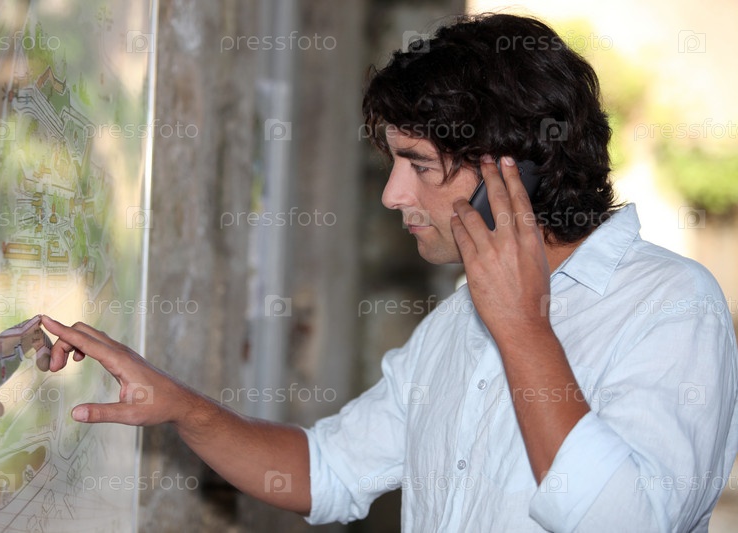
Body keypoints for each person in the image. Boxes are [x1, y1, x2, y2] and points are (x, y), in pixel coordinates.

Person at [41, 13, 738, 532]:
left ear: (515, 173)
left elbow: (628, 521)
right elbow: (327, 471)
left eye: (420, 165)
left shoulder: (673, 306)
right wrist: (181, 407)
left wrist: (524, 330)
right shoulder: (456, 324)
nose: (392, 195)